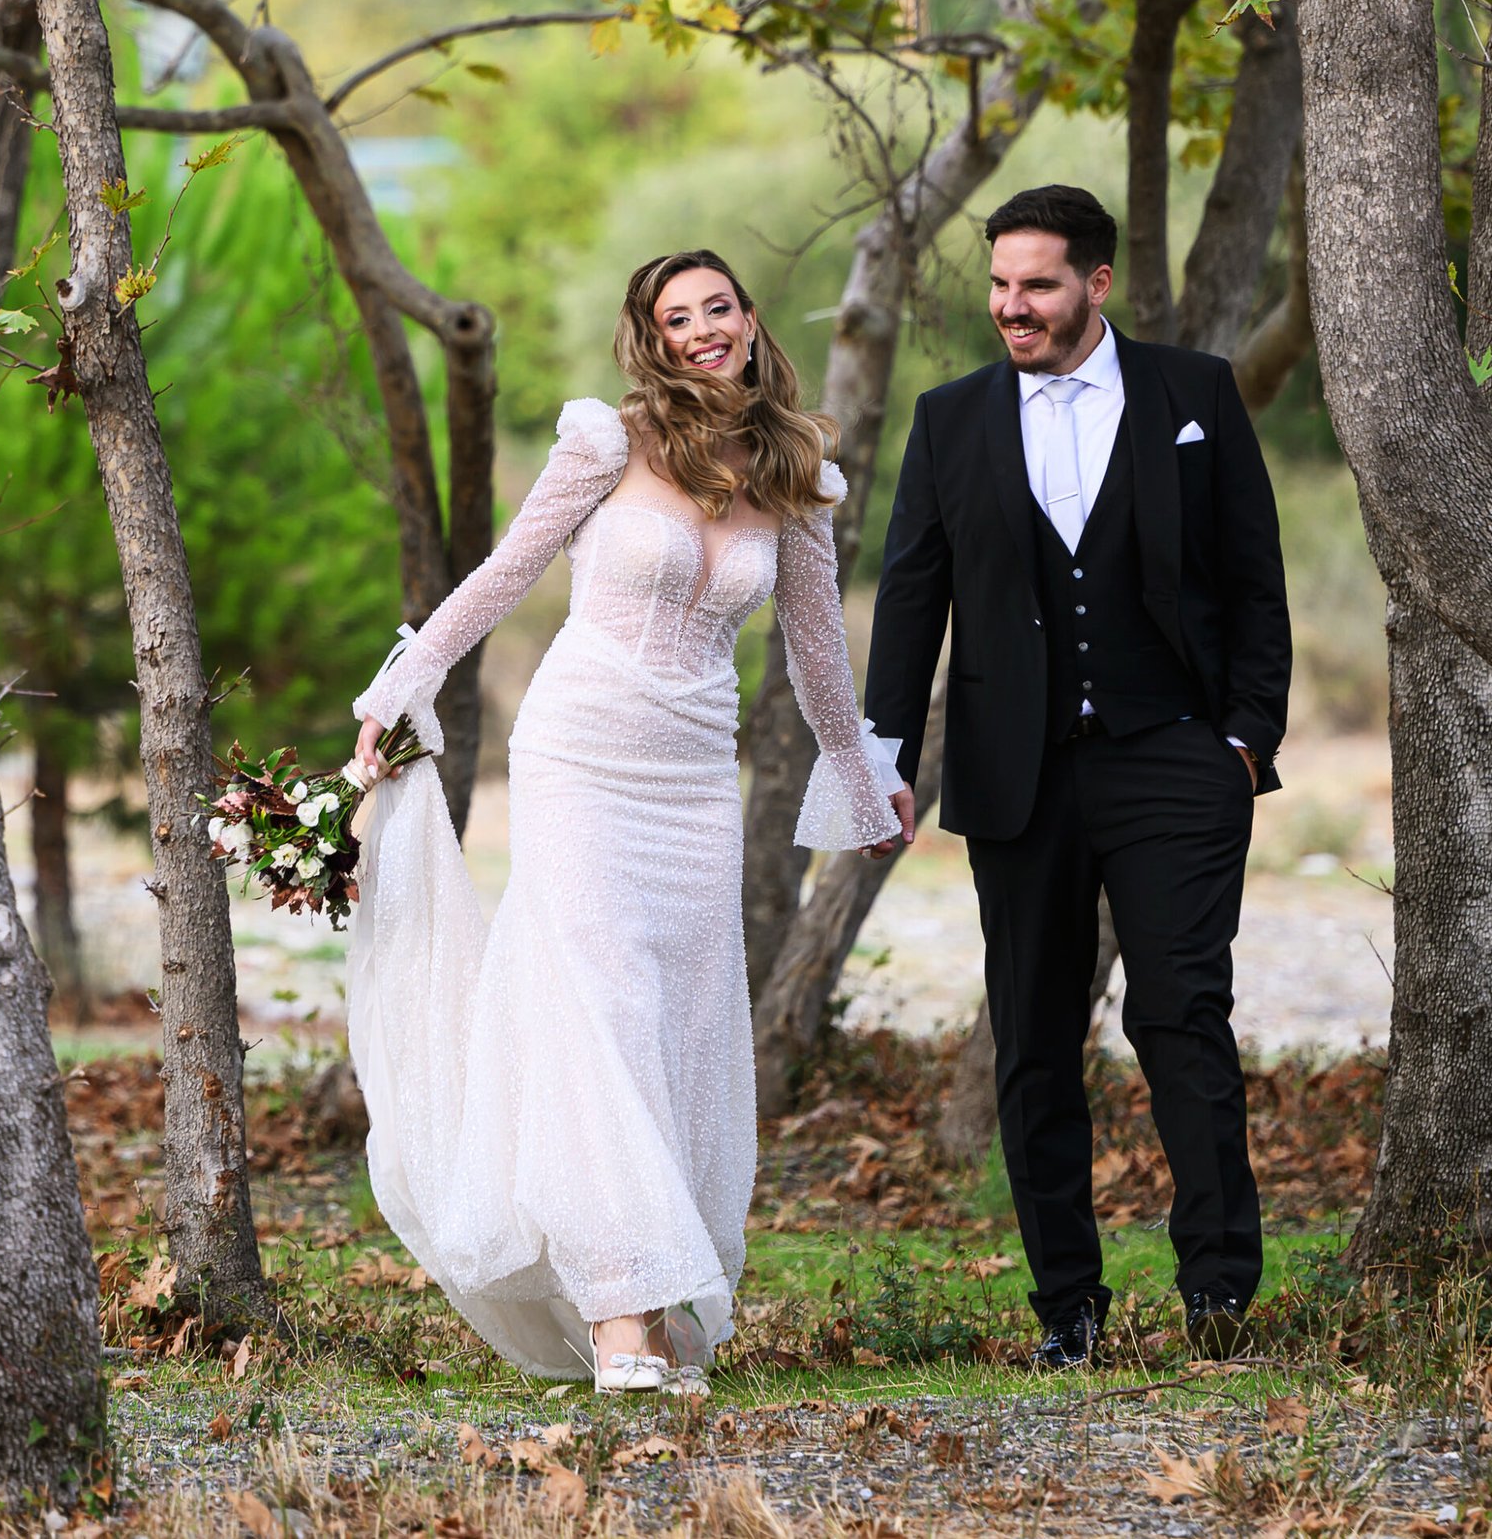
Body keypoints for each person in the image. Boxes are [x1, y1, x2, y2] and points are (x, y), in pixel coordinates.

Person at [345, 250, 904, 1395]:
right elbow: (505, 573)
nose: (701, 329)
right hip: (579, 756)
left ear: (749, 320)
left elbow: (814, 650)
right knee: (598, 1018)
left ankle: (649, 1295)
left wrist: (857, 764)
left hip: (693, 778)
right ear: (652, 337)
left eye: (717, 308)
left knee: (677, 1029)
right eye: (675, 316)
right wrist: (405, 682)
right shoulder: (609, 443)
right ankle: (619, 1319)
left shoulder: (795, 473)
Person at [861, 185, 1291, 1369]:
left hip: (1175, 759)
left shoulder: (1193, 394)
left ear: (1096, 284)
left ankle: (1218, 1288)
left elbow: (1253, 578)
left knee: (1180, 1015)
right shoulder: (949, 419)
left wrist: (1245, 739)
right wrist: (880, 757)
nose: (1012, 306)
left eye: (1037, 285)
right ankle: (1066, 1307)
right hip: (1018, 775)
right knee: (1035, 1039)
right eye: (1000, 285)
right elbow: (911, 595)